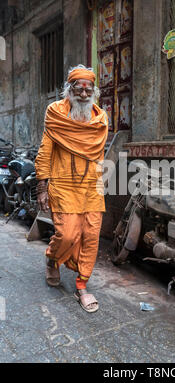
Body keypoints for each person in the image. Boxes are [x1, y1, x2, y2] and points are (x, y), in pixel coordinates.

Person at [35, 64, 108, 313]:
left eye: (89, 90)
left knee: (91, 236)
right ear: (70, 89)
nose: (84, 95)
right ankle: (53, 259)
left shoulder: (100, 118)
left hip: (91, 185)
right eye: (79, 89)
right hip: (63, 183)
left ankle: (82, 285)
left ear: (94, 92)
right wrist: (41, 187)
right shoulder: (55, 113)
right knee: (67, 235)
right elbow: (45, 151)